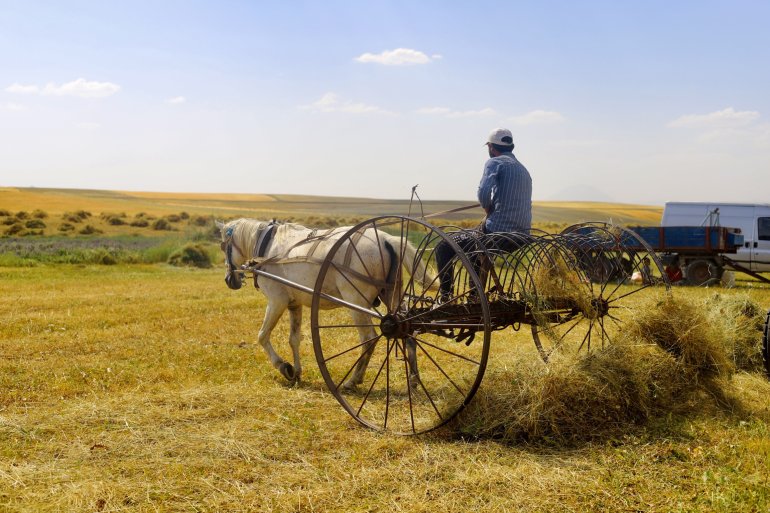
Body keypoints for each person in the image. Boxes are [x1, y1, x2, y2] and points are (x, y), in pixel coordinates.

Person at [435, 128, 532, 301]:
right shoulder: (523, 170)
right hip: (521, 235)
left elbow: (484, 193)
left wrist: (487, 208)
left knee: (444, 246)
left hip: (497, 233)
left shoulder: (494, 163)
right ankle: (474, 295)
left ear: (491, 147)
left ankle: (446, 298)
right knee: (474, 245)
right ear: (511, 147)